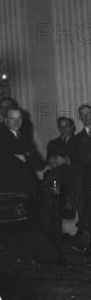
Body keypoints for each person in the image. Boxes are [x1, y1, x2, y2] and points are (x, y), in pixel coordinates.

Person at [69, 104, 91, 252]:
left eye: (88, 113)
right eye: (82, 114)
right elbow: (80, 161)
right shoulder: (78, 138)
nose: (86, 117)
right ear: (79, 118)